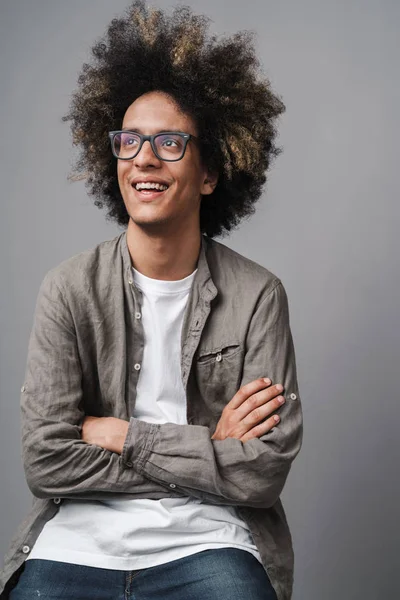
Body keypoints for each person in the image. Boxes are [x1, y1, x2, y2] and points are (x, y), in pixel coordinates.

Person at [0, 2, 303, 599]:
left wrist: (119, 433)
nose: (143, 158)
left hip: (211, 542)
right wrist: (206, 453)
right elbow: (44, 461)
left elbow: (262, 470)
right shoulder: (68, 289)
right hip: (74, 542)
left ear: (211, 171)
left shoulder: (258, 296)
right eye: (129, 141)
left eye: (168, 142)